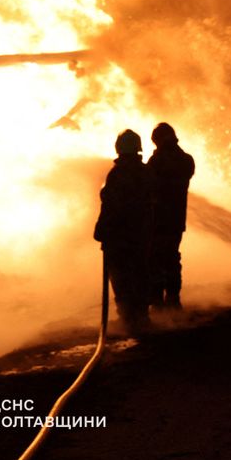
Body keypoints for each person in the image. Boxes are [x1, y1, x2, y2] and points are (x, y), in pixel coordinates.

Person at [94, 130, 153, 332]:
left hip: (119, 236)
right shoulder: (146, 173)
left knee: (120, 276)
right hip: (141, 234)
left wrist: (101, 229)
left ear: (119, 149)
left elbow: (111, 206)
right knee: (141, 272)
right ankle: (142, 316)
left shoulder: (118, 175)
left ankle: (128, 318)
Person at [147, 122, 195, 310]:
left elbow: (149, 184)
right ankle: (173, 299)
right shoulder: (186, 160)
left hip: (158, 220)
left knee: (156, 259)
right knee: (172, 258)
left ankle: (158, 300)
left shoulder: (157, 161)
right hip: (176, 220)